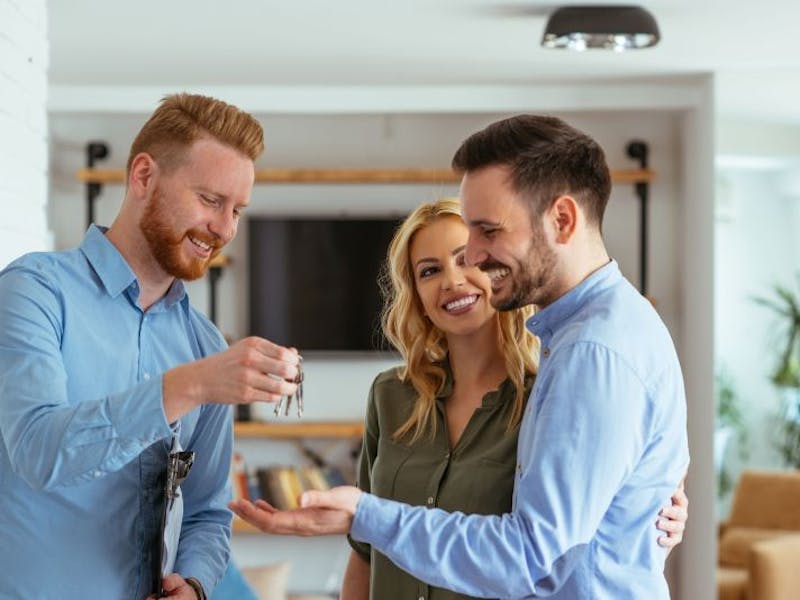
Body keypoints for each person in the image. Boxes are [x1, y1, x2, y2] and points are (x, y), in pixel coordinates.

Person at [231, 115, 690, 599]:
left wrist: (366, 514)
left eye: (488, 231)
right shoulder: (585, 338)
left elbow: (531, 558)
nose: (471, 258)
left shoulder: (591, 354)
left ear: (562, 220)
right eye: (431, 268)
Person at [0, 93, 301, 600]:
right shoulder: (33, 290)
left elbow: (206, 508)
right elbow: (38, 451)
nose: (225, 228)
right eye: (210, 200)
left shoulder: (203, 342)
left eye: (237, 210)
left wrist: (197, 582)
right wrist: (188, 385)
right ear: (144, 177)